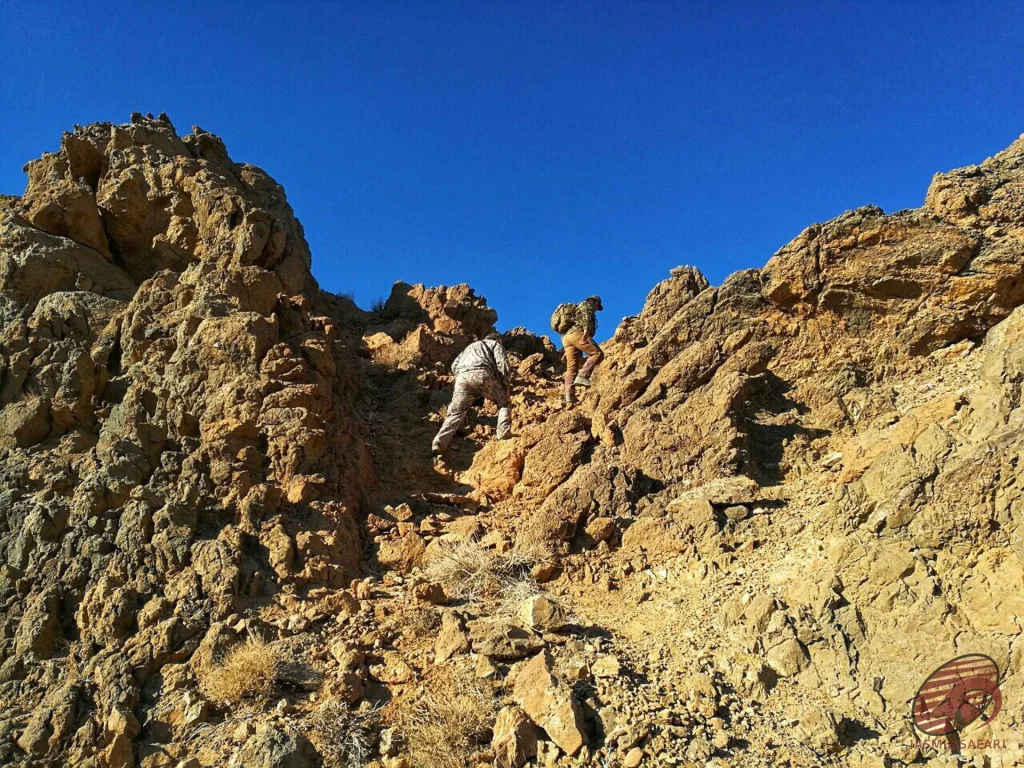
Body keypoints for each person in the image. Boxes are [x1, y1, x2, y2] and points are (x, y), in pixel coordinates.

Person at [432, 330, 512, 455]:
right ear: (497, 340)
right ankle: (503, 434)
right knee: (504, 403)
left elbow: (454, 365)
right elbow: (502, 364)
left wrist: (462, 374)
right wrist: (505, 383)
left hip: (461, 379)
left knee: (456, 413)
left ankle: (439, 442)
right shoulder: (495, 344)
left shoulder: (469, 348)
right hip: (482, 374)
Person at [561, 296, 604, 404]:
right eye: (597, 306)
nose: (596, 309)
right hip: (578, 333)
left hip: (566, 338)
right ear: (595, 302)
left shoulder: (577, 309)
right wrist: (585, 331)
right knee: (597, 354)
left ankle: (569, 396)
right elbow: (587, 315)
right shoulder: (587, 304)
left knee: (571, 368)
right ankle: (583, 376)